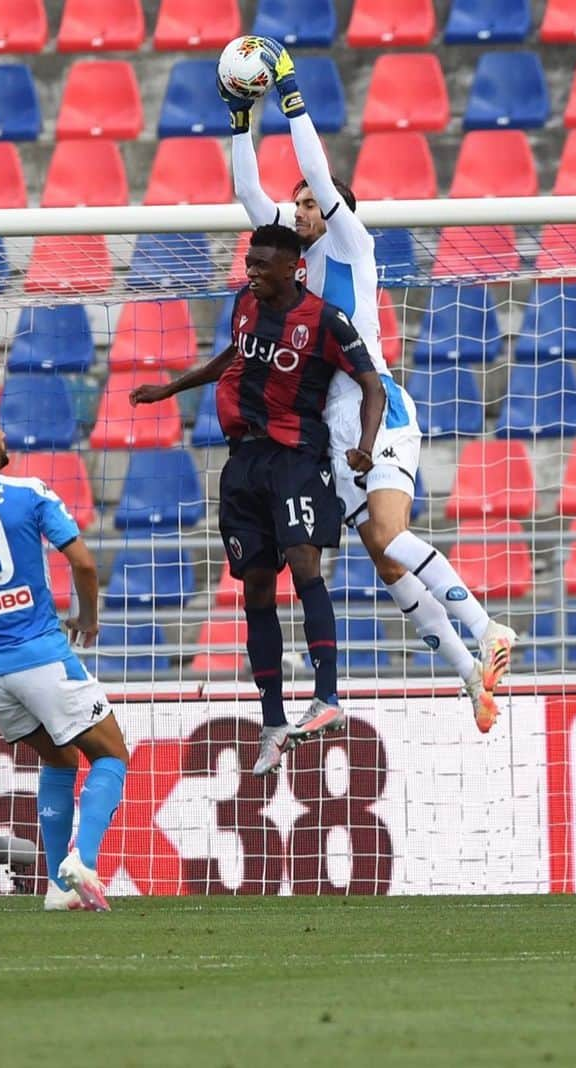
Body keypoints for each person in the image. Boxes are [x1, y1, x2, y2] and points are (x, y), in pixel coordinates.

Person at [220, 38, 516, 732]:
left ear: (333, 211)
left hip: (373, 401)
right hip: (328, 425)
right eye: (292, 205)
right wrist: (239, 119)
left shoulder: (352, 245)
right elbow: (243, 193)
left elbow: (319, 177)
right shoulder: (290, 268)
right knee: (386, 562)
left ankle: (485, 626)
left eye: (307, 203)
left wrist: (290, 102)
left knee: (390, 532)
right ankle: (470, 675)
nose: (297, 210)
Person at [131, 223, 385, 775]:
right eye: (250, 262)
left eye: (261, 263)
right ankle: (273, 722)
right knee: (256, 588)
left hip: (295, 458)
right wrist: (172, 388)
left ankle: (326, 698)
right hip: (243, 461)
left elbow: (373, 384)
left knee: (304, 564)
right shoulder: (245, 302)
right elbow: (235, 357)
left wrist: (365, 447)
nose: (251, 271)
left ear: (292, 267)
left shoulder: (324, 320)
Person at [0, 400, 128, 912]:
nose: (5, 435)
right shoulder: (28, 492)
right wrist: (87, 619)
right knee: (111, 754)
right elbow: (82, 562)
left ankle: (59, 890)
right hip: (39, 654)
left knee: (59, 758)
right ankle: (82, 860)